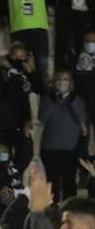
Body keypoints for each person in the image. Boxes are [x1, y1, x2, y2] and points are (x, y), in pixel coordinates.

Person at [39, 71, 89, 202]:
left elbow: (81, 117)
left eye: (66, 79)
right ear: (54, 82)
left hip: (70, 148)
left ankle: (70, 205)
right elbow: (42, 117)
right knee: (52, 180)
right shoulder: (47, 98)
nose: (62, 82)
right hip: (50, 147)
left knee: (69, 181)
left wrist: (69, 99)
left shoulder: (78, 100)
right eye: (59, 79)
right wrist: (55, 99)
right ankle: (53, 208)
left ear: (71, 83)